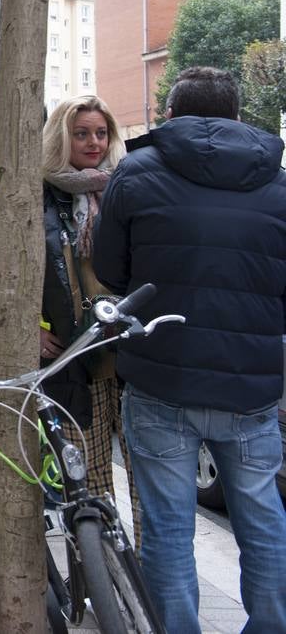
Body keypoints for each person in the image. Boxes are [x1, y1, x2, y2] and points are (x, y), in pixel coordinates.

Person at [93, 66, 286, 633]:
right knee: (263, 517)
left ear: (171, 115)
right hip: (249, 385)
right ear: (236, 116)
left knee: (168, 526)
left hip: (160, 378)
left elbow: (111, 272)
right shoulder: (276, 184)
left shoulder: (136, 173)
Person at [0, 95, 139, 540]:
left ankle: (142, 584)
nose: (93, 143)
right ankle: (101, 579)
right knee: (88, 480)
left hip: (128, 350)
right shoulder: (30, 192)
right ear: (60, 136)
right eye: (81, 133)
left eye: (101, 133)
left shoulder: (125, 188)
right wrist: (27, 330)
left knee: (145, 486)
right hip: (72, 355)